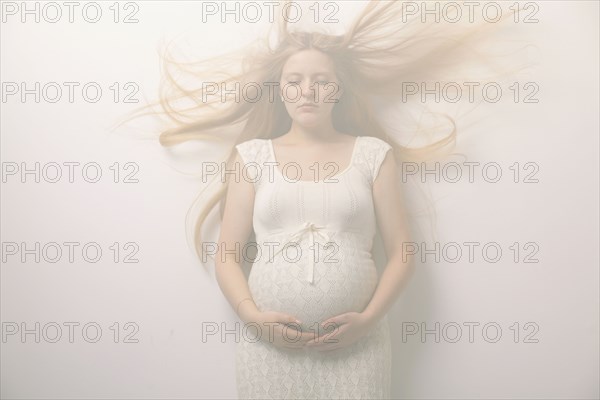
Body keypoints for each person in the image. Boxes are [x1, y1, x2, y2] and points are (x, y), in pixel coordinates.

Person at [217, 44, 411, 399]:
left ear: (338, 89)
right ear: (280, 89)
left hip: (357, 348)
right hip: (269, 349)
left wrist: (367, 322)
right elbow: (226, 255)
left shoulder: (373, 154)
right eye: (295, 81)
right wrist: (253, 319)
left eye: (321, 81)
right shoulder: (252, 156)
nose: (307, 91)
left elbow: (403, 253)